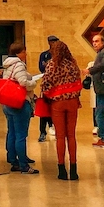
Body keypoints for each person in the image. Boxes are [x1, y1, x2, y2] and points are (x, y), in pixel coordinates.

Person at [40, 39, 84, 180]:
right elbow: (78, 81)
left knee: (60, 136)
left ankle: (61, 170)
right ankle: (74, 169)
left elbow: (45, 84)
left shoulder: (52, 64)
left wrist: (49, 95)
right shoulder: (73, 64)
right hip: (72, 101)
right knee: (71, 136)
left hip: (57, 103)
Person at [0, 40, 40, 174]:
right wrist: (33, 83)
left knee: (11, 132)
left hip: (8, 102)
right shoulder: (19, 66)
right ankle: (23, 165)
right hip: (20, 102)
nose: (26, 53)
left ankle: (12, 159)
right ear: (18, 53)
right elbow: (23, 82)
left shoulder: (7, 65)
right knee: (21, 134)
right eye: (23, 51)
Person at [35, 35, 58, 142]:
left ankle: (53, 126)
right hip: (46, 85)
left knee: (55, 108)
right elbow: (41, 67)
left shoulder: (59, 55)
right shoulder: (44, 54)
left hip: (57, 85)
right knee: (44, 108)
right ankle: (42, 132)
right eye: (51, 42)